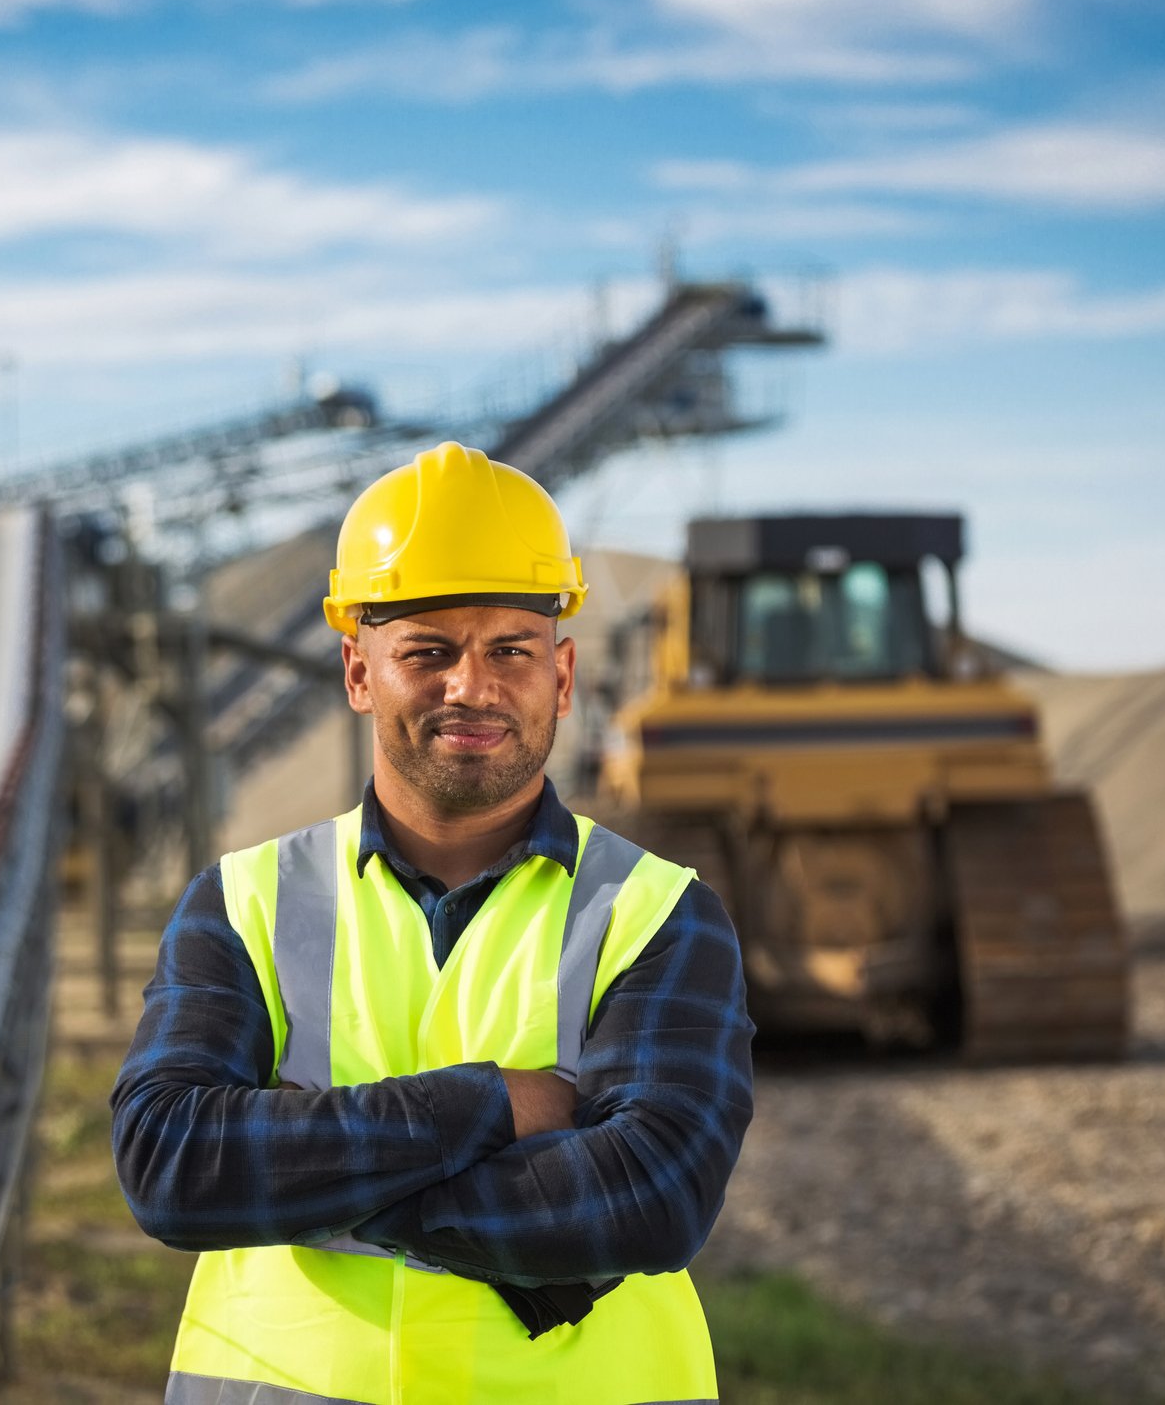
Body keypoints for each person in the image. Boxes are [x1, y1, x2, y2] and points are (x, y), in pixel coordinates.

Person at [111, 441, 756, 1404]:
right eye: (426, 652)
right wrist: (493, 1104)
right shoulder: (244, 900)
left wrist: (310, 1181)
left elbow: (649, 1197)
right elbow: (172, 1164)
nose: (471, 686)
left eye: (510, 650)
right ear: (359, 672)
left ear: (563, 674)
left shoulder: (657, 912)